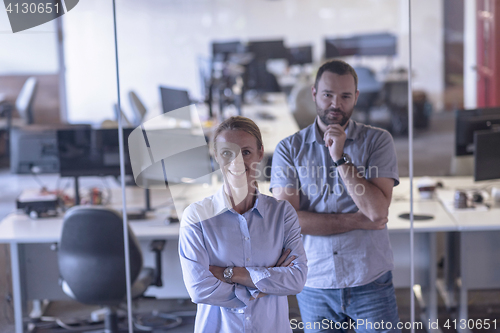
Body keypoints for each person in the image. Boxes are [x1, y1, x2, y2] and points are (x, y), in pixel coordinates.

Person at [270, 60, 401, 332]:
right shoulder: (289, 149)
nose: (335, 104)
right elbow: (287, 221)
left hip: (369, 278)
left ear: (356, 97)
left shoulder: (378, 141)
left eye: (345, 96)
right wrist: (355, 220)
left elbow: (377, 212)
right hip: (316, 281)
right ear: (314, 93)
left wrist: (339, 158)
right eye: (328, 95)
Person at [179, 116, 307, 333]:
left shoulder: (282, 214)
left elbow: (296, 280)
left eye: (246, 152)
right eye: (227, 153)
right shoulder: (197, 217)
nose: (237, 162)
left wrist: (229, 274)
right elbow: (199, 289)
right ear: (216, 156)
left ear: (259, 153)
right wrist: (267, 282)